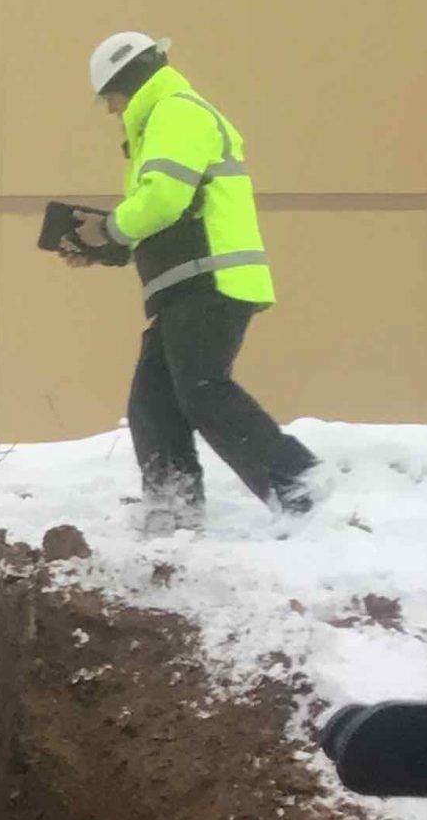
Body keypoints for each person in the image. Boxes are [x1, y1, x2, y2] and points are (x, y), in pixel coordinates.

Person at [66, 30, 319, 525]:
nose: (111, 110)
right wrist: (106, 247)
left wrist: (111, 228)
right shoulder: (165, 120)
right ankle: (173, 511)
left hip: (211, 282)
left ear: (130, 81)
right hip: (186, 285)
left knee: (202, 389)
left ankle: (300, 485)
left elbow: (163, 200)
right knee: (153, 403)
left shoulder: (177, 113)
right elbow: (168, 218)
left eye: (111, 97)